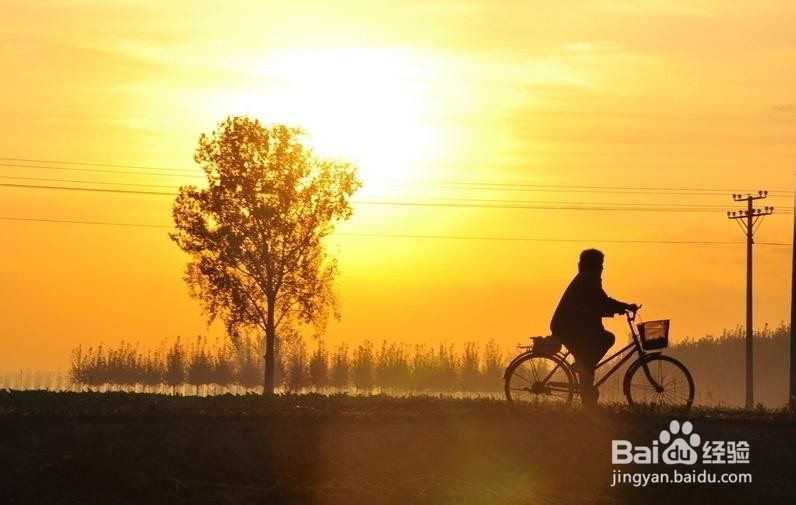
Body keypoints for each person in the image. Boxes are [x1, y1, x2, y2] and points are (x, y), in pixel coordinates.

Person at [550, 249, 637, 407]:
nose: (602, 268)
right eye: (600, 265)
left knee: (588, 359)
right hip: (568, 328)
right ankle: (584, 368)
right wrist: (624, 307)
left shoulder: (587, 279)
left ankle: (587, 400)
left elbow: (599, 303)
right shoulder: (588, 280)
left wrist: (620, 308)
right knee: (605, 340)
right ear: (593, 265)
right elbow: (601, 302)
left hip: (574, 326)